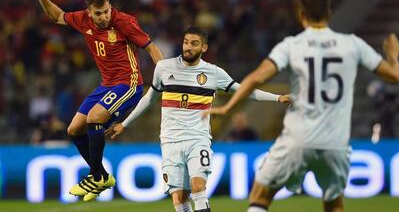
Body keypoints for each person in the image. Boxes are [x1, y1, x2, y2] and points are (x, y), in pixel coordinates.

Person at [207, 0, 399, 212]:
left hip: (298, 137)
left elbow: (256, 77)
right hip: (335, 142)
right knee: (334, 205)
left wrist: (228, 107)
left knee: (261, 195)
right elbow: (395, 75)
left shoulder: (291, 45)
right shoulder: (353, 44)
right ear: (329, 12)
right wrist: (393, 56)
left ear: (301, 15)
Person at [107, 26, 290, 212]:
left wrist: (277, 97)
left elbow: (244, 90)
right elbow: (149, 99)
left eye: (194, 44)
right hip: (170, 141)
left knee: (198, 187)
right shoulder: (164, 68)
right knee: (179, 198)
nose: (188, 47)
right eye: (186, 42)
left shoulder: (213, 73)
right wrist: (125, 123)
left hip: (197, 139)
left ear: (204, 48)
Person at [25, 0, 164, 201]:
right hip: (106, 85)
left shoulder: (124, 22)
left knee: (94, 117)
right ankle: (102, 176)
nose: (103, 17)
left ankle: (95, 176)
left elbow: (151, 47)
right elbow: (57, 16)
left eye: (106, 11)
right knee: (74, 129)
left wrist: (164, 74)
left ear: (111, 8)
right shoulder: (83, 20)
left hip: (128, 83)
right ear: (89, 12)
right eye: (98, 13)